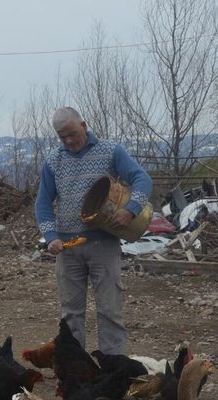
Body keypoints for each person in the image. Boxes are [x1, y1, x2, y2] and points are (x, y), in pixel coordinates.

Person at [34, 107, 153, 355]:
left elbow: (142, 179)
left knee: (110, 310)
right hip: (67, 249)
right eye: (62, 137)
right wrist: (51, 236)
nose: (68, 140)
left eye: (72, 134)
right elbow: (42, 203)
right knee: (70, 314)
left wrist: (130, 210)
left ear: (84, 125)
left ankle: (112, 365)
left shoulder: (111, 151)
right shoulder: (53, 161)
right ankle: (75, 367)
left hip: (104, 244)